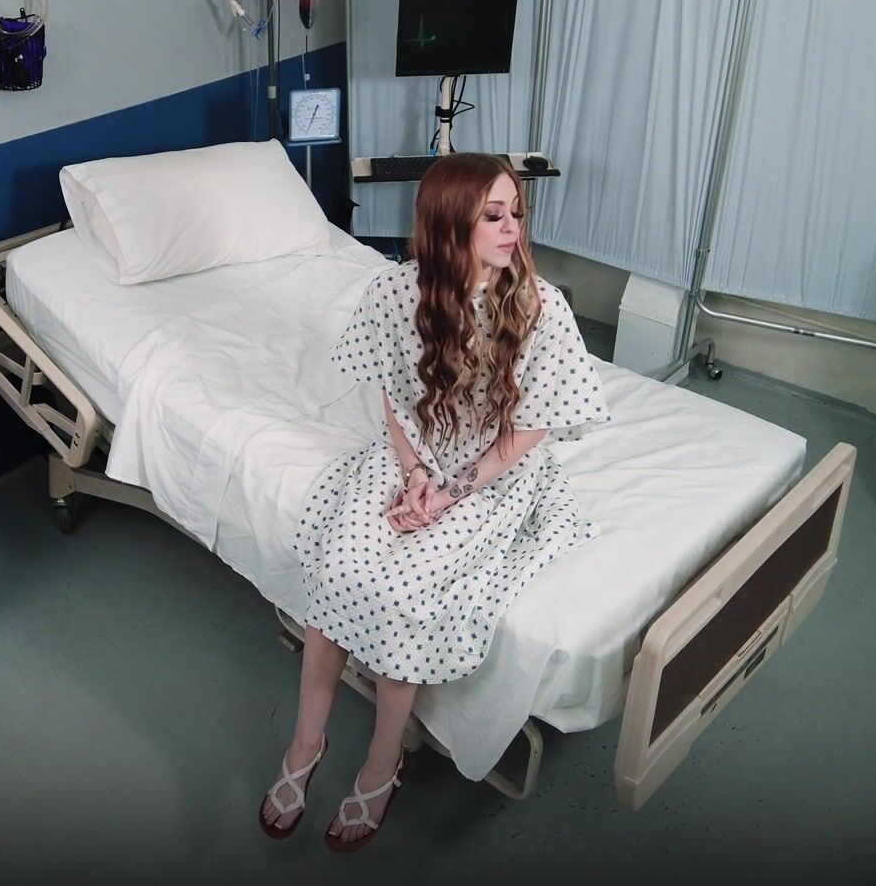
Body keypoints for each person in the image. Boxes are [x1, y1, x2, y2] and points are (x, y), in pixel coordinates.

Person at [258, 152, 613, 851]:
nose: (513, 229)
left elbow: (532, 428)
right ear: (450, 224)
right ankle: (305, 746)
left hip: (494, 472)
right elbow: (393, 393)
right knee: (338, 571)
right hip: (415, 454)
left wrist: (450, 491)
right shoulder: (397, 292)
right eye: (494, 216)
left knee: (405, 594)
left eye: (516, 213)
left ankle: (381, 764)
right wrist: (413, 469)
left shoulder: (540, 308)